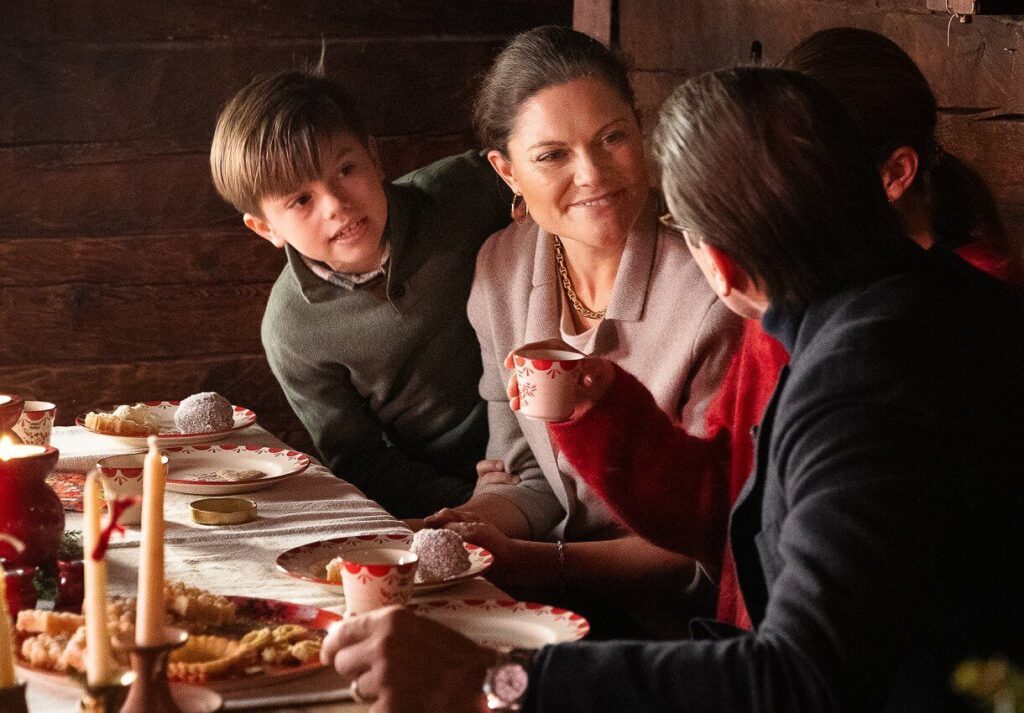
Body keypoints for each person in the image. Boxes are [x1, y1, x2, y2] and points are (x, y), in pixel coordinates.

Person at [321, 66, 1024, 712]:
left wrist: (490, 678)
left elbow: (802, 679)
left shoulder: (864, 385)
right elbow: (742, 516)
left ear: (716, 262)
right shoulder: (884, 299)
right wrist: (614, 422)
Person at [425, 26, 742, 637]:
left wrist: (539, 565)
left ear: (639, 127)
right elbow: (522, 474)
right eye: (552, 156)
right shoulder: (502, 267)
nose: (593, 173)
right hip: (548, 604)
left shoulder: (712, 289)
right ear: (506, 170)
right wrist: (466, 524)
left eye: (612, 137)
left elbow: (709, 535)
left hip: (678, 630)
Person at [209, 63, 510, 518]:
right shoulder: (291, 329)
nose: (335, 204)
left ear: (374, 157)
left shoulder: (466, 190)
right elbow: (361, 460)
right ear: (264, 227)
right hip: (449, 496)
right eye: (301, 200)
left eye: (346, 169)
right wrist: (467, 505)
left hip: (550, 436)